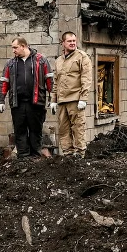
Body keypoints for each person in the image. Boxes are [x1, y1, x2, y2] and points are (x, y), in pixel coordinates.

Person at [0, 36, 55, 158]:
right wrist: (0, 101)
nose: (13, 50)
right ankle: (23, 158)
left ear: (23, 46)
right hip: (18, 104)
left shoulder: (41, 60)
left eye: (15, 47)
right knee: (20, 132)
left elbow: (50, 81)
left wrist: (53, 99)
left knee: (35, 132)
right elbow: (4, 82)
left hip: (36, 103)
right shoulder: (10, 64)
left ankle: (35, 158)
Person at [52, 30, 92, 158]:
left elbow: (86, 79)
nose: (72, 43)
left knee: (78, 128)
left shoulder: (82, 57)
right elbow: (55, 82)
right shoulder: (58, 60)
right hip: (62, 100)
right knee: (63, 129)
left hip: (75, 99)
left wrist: (83, 98)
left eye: (74, 41)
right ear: (63, 43)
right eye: (69, 41)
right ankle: (68, 154)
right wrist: (53, 100)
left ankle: (80, 153)